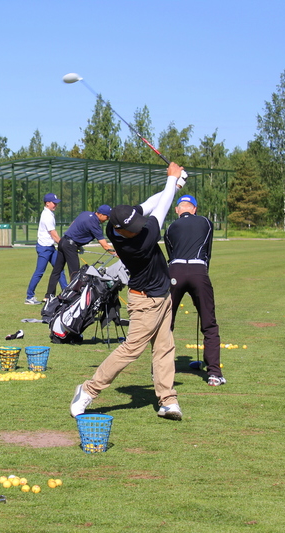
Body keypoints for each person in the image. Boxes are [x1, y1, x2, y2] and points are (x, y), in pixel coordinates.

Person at [70, 162, 185, 421]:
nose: (139, 228)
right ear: (119, 231)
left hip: (163, 295)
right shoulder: (140, 241)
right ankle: (88, 390)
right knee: (132, 349)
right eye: (133, 228)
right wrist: (171, 180)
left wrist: (175, 184)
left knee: (165, 348)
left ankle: (167, 400)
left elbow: (150, 203)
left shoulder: (120, 222)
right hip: (145, 301)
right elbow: (163, 206)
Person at [164, 194, 225, 386]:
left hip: (175, 270)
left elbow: (171, 253)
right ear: (195, 209)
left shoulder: (170, 228)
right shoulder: (206, 223)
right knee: (209, 323)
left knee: (166, 322)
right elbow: (207, 251)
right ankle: (214, 373)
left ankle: (160, 371)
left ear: (177, 210)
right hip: (199, 270)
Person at [45, 205, 115, 299]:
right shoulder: (94, 223)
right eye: (107, 216)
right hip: (70, 245)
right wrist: (117, 254)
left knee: (57, 270)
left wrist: (76, 242)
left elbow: (73, 224)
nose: (107, 219)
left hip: (63, 241)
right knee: (75, 273)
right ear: (101, 214)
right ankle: (73, 296)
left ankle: (49, 295)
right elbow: (105, 245)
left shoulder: (86, 213)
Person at [25, 193, 67, 304]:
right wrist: (65, 245)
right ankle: (29, 297)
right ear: (47, 203)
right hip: (44, 248)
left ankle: (67, 292)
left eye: (56, 203)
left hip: (51, 247)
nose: (55, 205)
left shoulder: (50, 214)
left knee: (59, 269)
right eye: (54, 203)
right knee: (39, 272)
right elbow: (53, 234)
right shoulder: (47, 215)